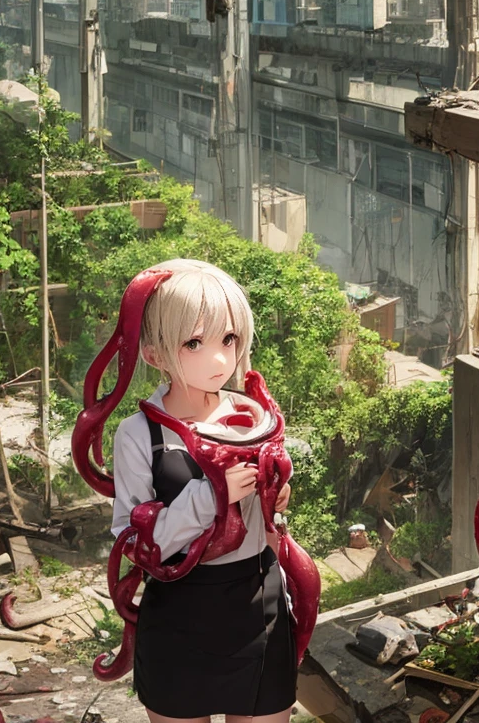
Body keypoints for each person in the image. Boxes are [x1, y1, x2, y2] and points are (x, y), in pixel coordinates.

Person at [72, 258, 320, 723]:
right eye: (193, 343)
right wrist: (211, 495)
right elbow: (135, 540)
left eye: (229, 338)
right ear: (154, 354)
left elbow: (268, 522)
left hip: (257, 602)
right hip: (179, 612)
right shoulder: (138, 434)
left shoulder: (252, 416)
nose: (221, 359)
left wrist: (274, 498)